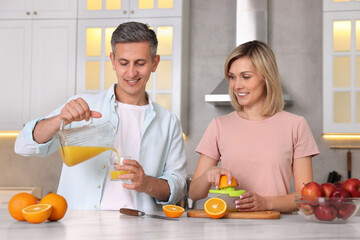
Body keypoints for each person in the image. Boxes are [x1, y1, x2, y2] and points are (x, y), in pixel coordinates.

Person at [15, 21, 187, 212]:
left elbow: (178, 186)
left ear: (154, 63)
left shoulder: (168, 122)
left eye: (140, 63)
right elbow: (23, 145)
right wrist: (59, 120)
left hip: (139, 228)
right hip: (79, 228)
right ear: (112, 61)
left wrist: (146, 183)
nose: (131, 72)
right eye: (123, 63)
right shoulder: (81, 106)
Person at [188, 40, 319, 213]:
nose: (237, 85)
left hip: (277, 229)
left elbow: (306, 197)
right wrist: (208, 175)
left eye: (246, 76)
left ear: (266, 77)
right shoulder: (219, 126)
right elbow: (194, 193)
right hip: (229, 228)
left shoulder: (296, 125)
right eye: (232, 77)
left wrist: (266, 203)